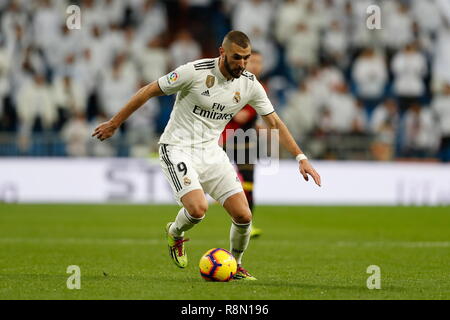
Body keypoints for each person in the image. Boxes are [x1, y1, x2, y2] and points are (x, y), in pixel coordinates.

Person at [92, 31, 321, 281]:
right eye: (237, 58)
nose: (242, 64)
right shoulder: (194, 72)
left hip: (212, 152)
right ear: (222, 52)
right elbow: (147, 91)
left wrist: (301, 158)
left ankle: (235, 265)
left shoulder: (249, 84)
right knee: (198, 209)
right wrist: (115, 123)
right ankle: (175, 233)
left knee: (244, 216)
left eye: (246, 58)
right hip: (177, 147)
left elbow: (274, 121)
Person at [220, 50, 264, 239]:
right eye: (252, 61)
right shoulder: (236, 84)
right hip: (227, 137)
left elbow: (247, 115)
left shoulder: (257, 86)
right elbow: (241, 115)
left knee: (249, 183)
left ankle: (247, 224)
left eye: (259, 62)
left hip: (247, 140)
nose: (256, 66)